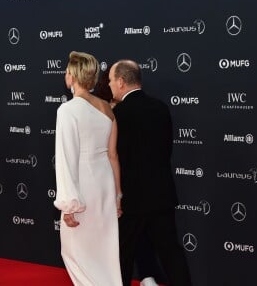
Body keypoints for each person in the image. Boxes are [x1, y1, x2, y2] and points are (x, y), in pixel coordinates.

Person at [109, 59, 192, 286]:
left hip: (132, 198)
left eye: (110, 81)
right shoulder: (161, 108)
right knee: (171, 252)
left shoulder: (117, 114)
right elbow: (166, 150)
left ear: (121, 82)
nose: (109, 86)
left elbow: (115, 155)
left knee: (123, 254)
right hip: (161, 193)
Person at [54, 51, 123, 286]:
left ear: (73, 76)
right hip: (104, 186)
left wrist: (69, 205)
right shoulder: (107, 108)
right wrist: (117, 196)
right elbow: (113, 156)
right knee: (104, 253)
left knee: (76, 254)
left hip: (81, 188)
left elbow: (66, 158)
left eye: (66, 71)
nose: (65, 74)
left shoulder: (68, 110)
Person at [96, 67, 162, 286]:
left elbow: (116, 153)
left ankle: (145, 275)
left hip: (125, 182)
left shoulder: (120, 112)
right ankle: (144, 276)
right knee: (131, 234)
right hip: (122, 180)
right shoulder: (108, 109)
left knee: (131, 235)